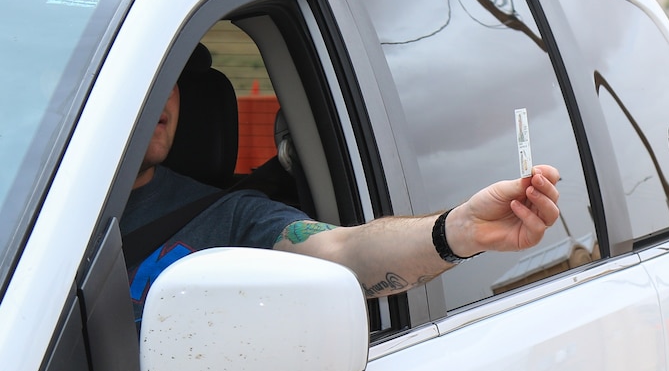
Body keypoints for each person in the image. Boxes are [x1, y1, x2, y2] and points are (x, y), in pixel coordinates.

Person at [125, 74, 561, 319]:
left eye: (173, 78)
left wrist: (461, 229)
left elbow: (343, 251)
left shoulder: (230, 217)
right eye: (145, 75)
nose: (162, 95)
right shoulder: (55, 212)